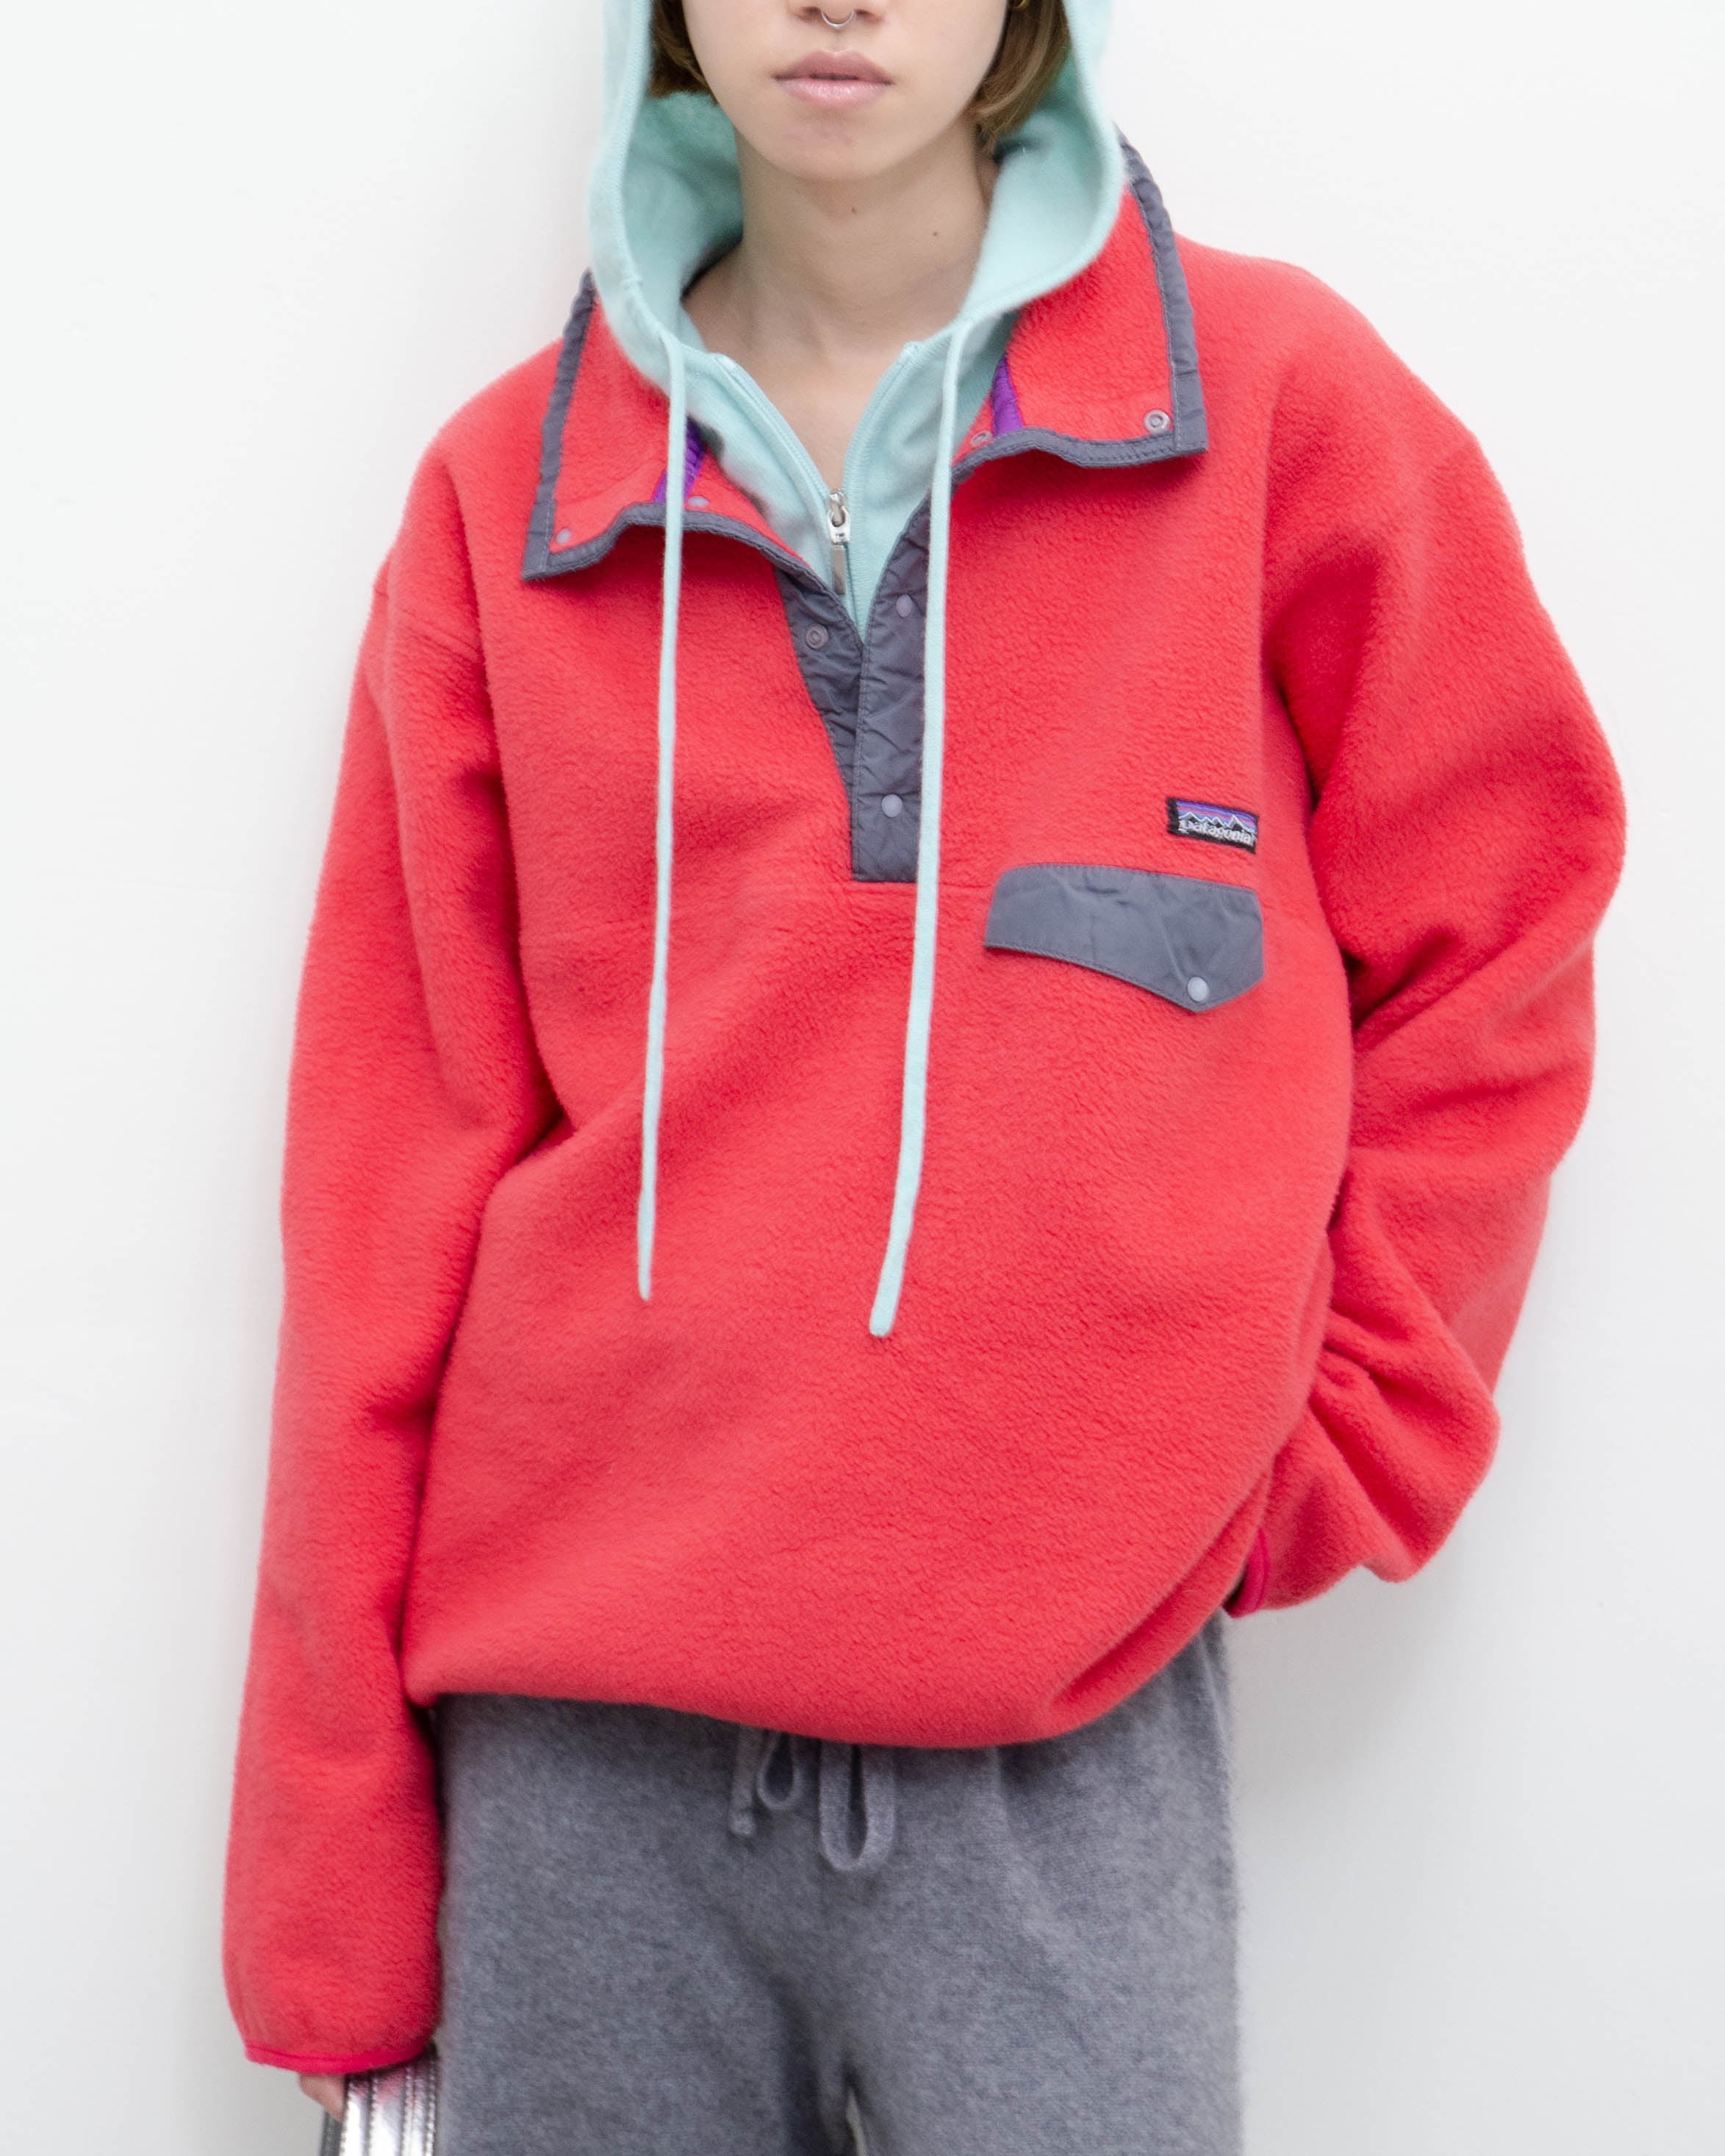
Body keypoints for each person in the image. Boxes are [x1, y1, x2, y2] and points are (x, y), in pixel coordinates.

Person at [221, 1, 1626, 2149]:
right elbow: (379, 1200)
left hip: (1062, 1746)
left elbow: (1500, 926)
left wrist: (1354, 1429)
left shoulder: (1272, 408)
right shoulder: (507, 497)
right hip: (582, 1775)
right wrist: (331, 1890)